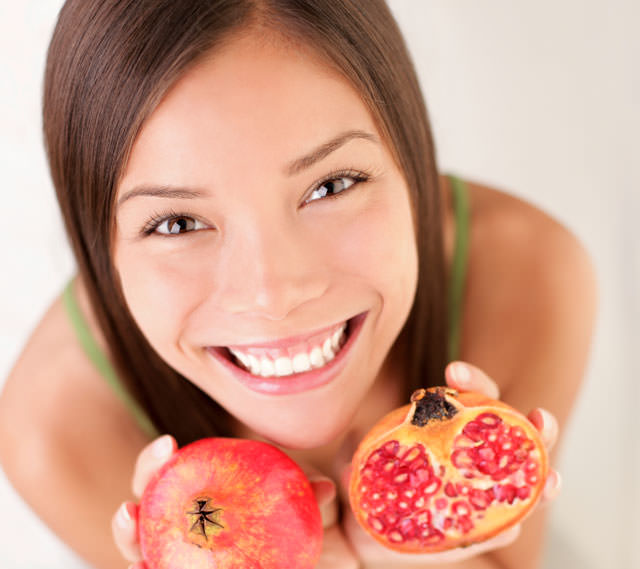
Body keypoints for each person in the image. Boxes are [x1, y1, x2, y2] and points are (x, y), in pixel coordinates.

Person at [0, 1, 597, 568]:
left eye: (331, 186)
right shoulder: (52, 432)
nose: (272, 293)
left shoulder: (528, 271)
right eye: (176, 223)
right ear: (98, 247)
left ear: (408, 157)